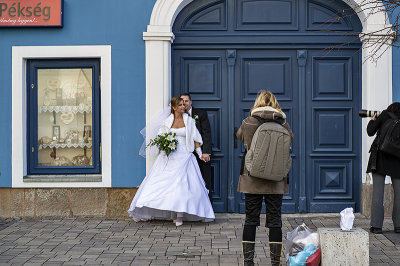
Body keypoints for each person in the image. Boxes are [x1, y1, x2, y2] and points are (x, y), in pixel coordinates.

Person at [128, 97, 215, 226]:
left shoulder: (190, 121)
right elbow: (160, 138)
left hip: (185, 156)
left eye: (183, 105)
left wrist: (201, 154)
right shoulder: (166, 122)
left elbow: (196, 140)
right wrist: (165, 145)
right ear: (174, 108)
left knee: (183, 186)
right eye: (180, 105)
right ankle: (150, 205)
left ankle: (179, 215)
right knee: (163, 185)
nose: (183, 106)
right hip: (169, 157)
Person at [236, 90, 294, 266]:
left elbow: (239, 137)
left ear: (257, 102)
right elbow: (291, 140)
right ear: (275, 103)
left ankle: (248, 262)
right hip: (276, 180)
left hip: (251, 179)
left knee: (251, 219)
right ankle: (275, 262)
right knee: (275, 220)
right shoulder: (284, 123)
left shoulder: (248, 122)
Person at [366, 102, 400, 234]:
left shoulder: (385, 115)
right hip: (397, 160)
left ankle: (376, 226)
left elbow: (370, 132)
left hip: (379, 159)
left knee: (377, 192)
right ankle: (398, 226)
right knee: (399, 194)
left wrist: (372, 120)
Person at [180, 93, 213, 203]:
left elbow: (206, 133)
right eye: (182, 101)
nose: (184, 103)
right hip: (184, 156)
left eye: (186, 101)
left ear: (191, 102)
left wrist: (206, 152)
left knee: (204, 181)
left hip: (201, 155)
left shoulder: (201, 114)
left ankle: (207, 209)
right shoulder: (176, 116)